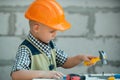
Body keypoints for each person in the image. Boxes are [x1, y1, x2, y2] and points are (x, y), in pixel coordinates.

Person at [11, 0, 97, 80]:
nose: (55, 34)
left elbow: (65, 62)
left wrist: (80, 57)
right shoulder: (26, 49)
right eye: (52, 31)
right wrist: (44, 74)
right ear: (36, 28)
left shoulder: (50, 45)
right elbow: (16, 74)